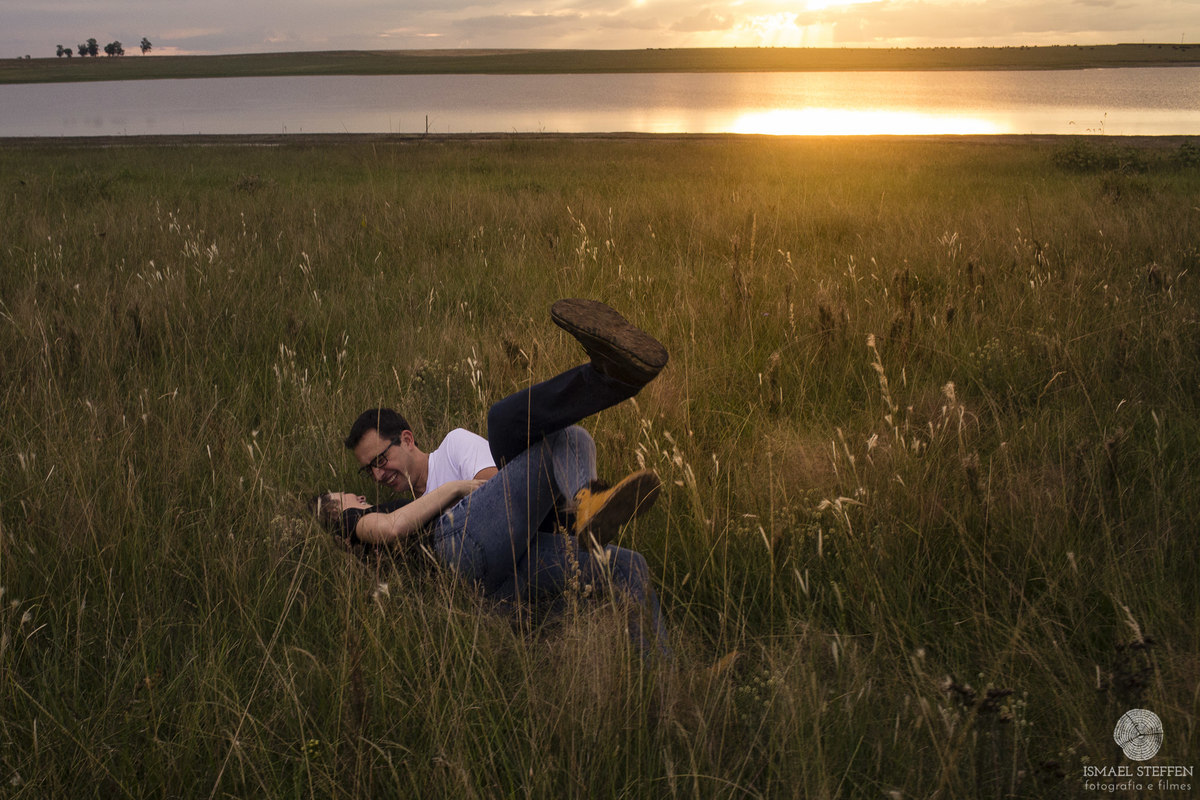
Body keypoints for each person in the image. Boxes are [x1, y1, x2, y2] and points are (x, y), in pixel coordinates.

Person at [312, 298, 671, 656]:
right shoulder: (389, 518)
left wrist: (457, 491)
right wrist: (455, 490)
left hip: (509, 554)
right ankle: (605, 398)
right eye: (366, 471)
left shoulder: (453, 447)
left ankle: (667, 681)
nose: (375, 476)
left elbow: (501, 488)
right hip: (480, 593)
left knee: (628, 566)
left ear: (407, 439)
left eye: (380, 459)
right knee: (544, 431)